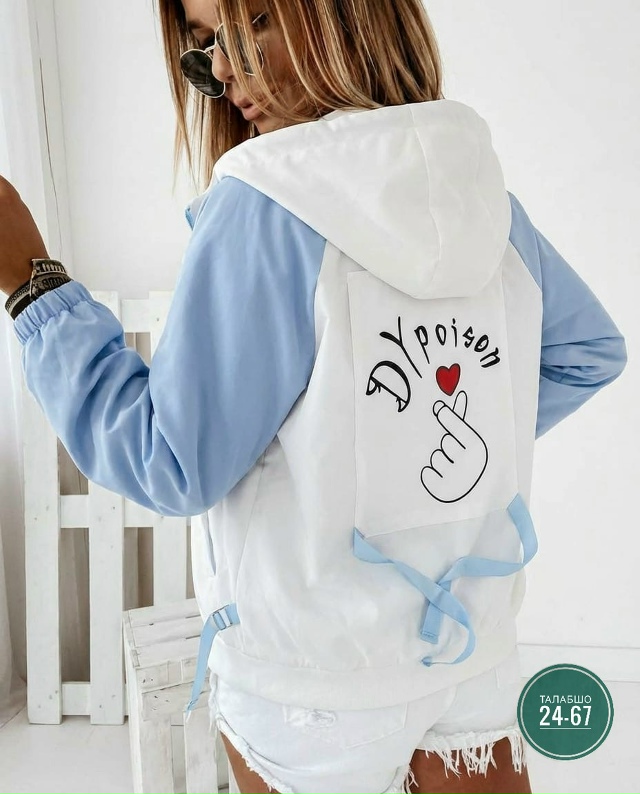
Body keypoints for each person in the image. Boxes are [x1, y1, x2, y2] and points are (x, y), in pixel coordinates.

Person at [0, 1, 627, 792]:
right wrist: (415, 459)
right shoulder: (472, 183)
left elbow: (169, 462)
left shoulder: (264, 201)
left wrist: (33, 282)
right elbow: (585, 354)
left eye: (253, 21)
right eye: (204, 43)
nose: (222, 68)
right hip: (471, 650)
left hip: (310, 677)